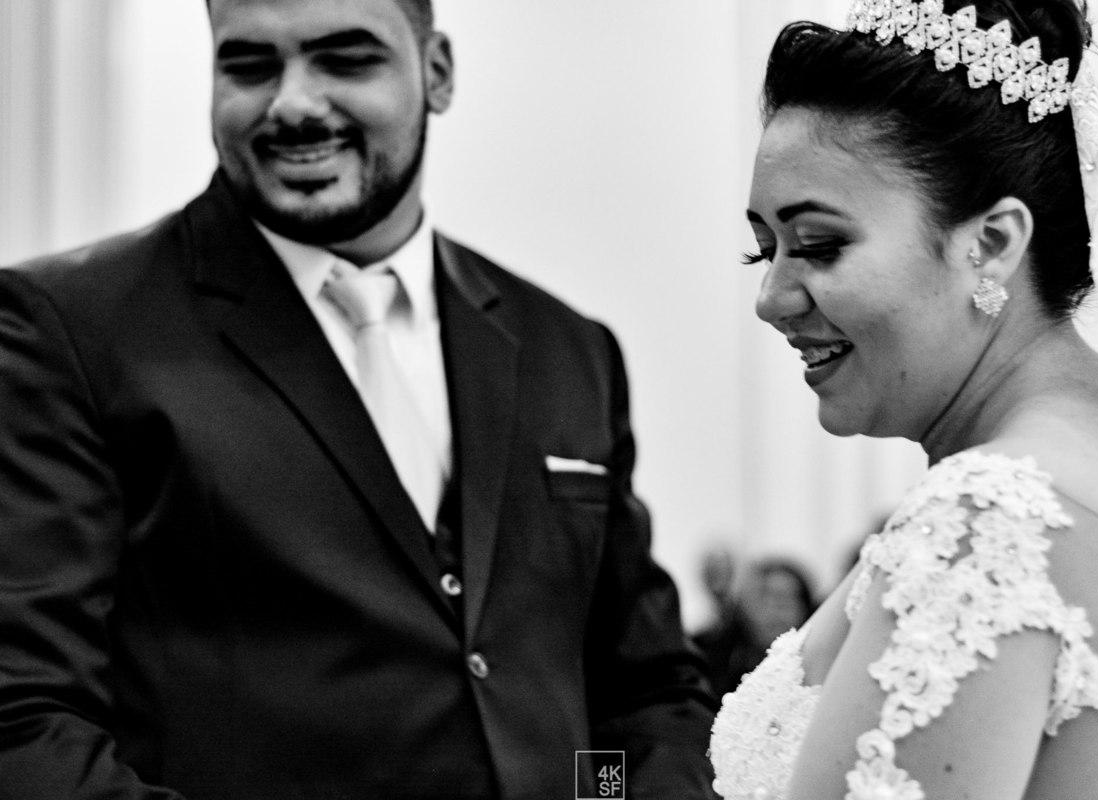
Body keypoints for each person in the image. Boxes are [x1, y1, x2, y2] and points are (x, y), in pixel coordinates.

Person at [0, 1, 719, 798]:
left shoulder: (566, 349)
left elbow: (639, 692)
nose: (294, 103)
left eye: (345, 59)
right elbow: (26, 717)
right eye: (249, 65)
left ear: (436, 73)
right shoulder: (70, 329)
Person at [709, 0, 1098, 798]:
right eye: (763, 250)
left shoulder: (989, 517)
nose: (772, 298)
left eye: (819, 246)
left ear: (993, 243)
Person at [693, 557, 817, 697]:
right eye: (766, 598)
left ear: (804, 608)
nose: (774, 610)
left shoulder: (816, 662)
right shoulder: (719, 656)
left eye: (784, 599)